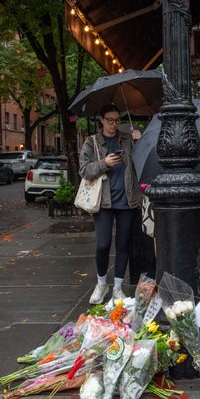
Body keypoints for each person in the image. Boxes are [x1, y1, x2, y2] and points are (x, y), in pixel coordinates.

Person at [79, 104, 142, 305]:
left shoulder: (127, 139)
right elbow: (84, 170)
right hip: (103, 201)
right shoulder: (92, 142)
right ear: (101, 120)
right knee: (103, 244)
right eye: (110, 120)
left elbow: (140, 163)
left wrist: (139, 142)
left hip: (127, 199)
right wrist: (104, 163)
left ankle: (117, 287)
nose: (114, 124)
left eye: (117, 120)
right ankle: (101, 284)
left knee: (123, 244)